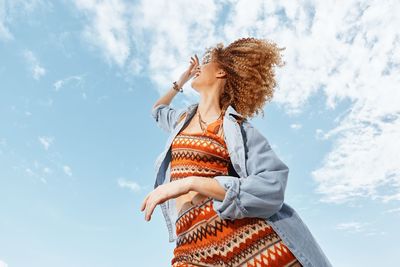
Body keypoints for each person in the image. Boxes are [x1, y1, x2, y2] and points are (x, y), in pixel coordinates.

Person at [141, 37, 332, 267]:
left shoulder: (237, 128)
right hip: (189, 247)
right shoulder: (182, 119)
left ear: (221, 72)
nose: (199, 67)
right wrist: (181, 80)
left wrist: (190, 182)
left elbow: (272, 185)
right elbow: (158, 110)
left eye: (207, 62)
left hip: (243, 240)